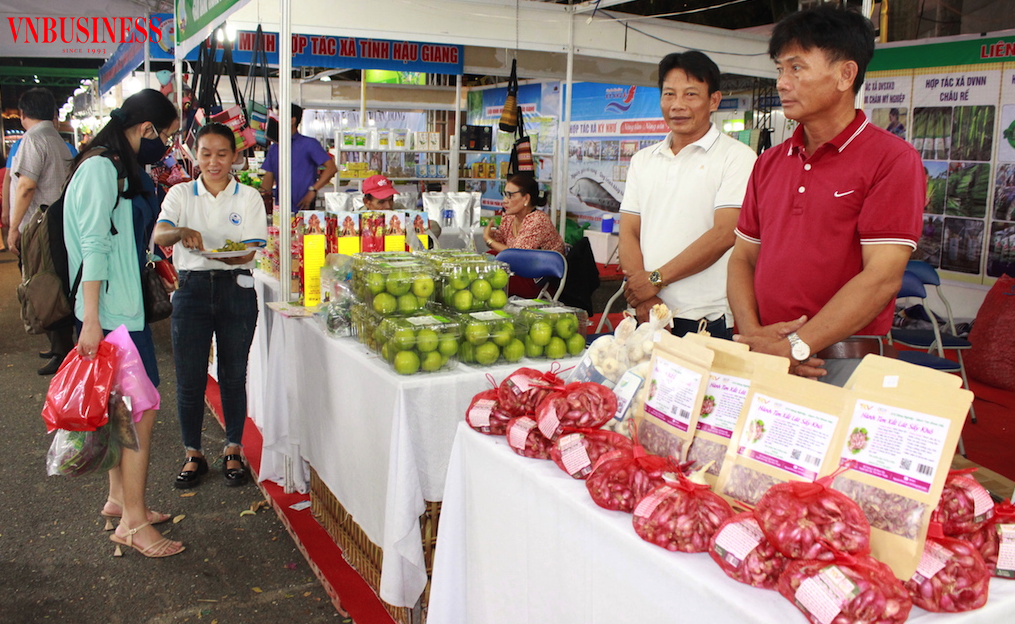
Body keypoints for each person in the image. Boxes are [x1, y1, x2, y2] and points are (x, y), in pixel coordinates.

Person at [727, 4, 925, 385]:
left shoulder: (892, 160)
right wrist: (756, 339)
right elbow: (742, 257)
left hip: (840, 362)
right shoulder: (769, 162)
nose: (783, 82)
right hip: (766, 354)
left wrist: (796, 345)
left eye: (797, 68)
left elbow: (882, 278)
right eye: (780, 70)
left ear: (845, 74)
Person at [63, 88, 184, 558]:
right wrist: (91, 319)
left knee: (120, 409)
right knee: (141, 411)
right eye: (166, 136)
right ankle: (133, 524)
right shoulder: (101, 168)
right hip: (111, 317)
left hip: (118, 311)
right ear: (145, 127)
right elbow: (93, 245)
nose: (167, 146)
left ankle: (120, 500)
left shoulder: (118, 165)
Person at [155, 122, 268, 489]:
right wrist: (179, 233)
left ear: (235, 156)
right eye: (206, 154)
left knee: (234, 375)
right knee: (189, 378)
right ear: (195, 155)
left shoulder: (248, 197)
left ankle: (232, 447)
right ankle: (193, 453)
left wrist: (231, 257)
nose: (214, 162)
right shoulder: (180, 194)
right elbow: (159, 234)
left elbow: (249, 250)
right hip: (191, 289)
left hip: (237, 288)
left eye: (222, 154)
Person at [618, 51, 757, 338]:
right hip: (647, 315)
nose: (677, 105)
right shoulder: (643, 160)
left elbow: (724, 234)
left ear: (714, 100)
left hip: (704, 320)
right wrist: (645, 296)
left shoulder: (736, 157)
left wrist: (655, 279)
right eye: (669, 94)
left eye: (690, 95)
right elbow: (629, 230)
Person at [8, 88, 76, 374]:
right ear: (52, 113)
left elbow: (26, 186)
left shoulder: (33, 139)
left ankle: (62, 352)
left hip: (39, 229)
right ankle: (58, 347)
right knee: (52, 283)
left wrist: (12, 228)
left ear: (23, 114)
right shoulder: (57, 140)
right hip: (56, 226)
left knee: (44, 286)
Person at [259, 103, 337, 212]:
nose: (275, 121)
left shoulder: (309, 144)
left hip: (304, 207)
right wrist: (260, 197)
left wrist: (312, 191)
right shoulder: (275, 147)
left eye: (279, 117)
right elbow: (269, 177)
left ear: (292, 120)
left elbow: (331, 168)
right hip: (281, 209)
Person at [483, 174, 564, 255]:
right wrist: (492, 237)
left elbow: (517, 255)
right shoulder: (509, 217)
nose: (504, 200)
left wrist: (489, 240)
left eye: (510, 195)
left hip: (545, 266)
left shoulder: (538, 220)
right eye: (505, 194)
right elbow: (501, 245)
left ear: (526, 198)